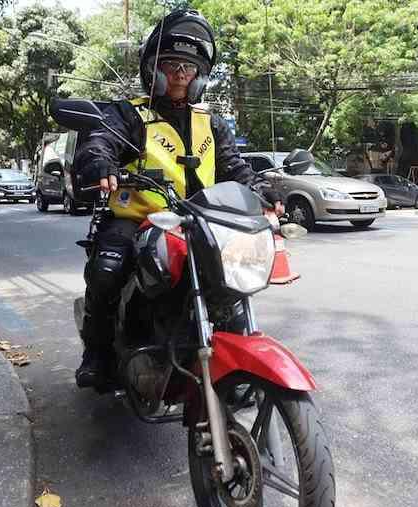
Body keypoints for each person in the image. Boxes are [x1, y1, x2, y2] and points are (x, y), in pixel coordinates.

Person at [72, 9, 283, 389]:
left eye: (189, 67)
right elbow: (99, 142)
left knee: (232, 278)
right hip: (138, 218)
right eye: (171, 65)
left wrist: (262, 191)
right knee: (107, 269)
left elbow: (234, 167)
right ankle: (98, 353)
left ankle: (230, 354)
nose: (181, 74)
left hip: (201, 221)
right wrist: (100, 163)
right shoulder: (129, 114)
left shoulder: (211, 122)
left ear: (200, 75)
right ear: (152, 69)